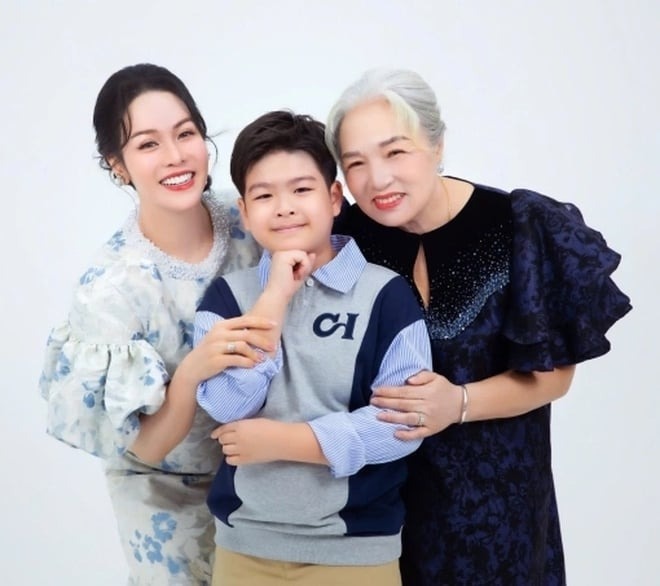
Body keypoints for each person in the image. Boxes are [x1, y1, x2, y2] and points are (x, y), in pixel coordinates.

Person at [325, 68, 632, 586]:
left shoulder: (516, 225)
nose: (377, 179)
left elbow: (554, 377)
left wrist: (458, 404)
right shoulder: (344, 241)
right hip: (376, 519)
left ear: (437, 144)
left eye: (395, 152)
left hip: (498, 516)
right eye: (356, 163)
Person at [38, 63, 272, 585]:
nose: (175, 156)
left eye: (185, 134)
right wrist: (191, 373)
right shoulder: (112, 288)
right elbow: (143, 447)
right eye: (147, 144)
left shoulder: (250, 222)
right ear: (117, 165)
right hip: (164, 489)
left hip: (266, 470)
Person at [193, 110, 433, 586]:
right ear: (245, 211)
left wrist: (287, 442)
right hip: (244, 548)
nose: (284, 208)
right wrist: (275, 298)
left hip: (355, 552)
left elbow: (402, 425)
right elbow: (225, 404)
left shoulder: (386, 295)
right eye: (264, 195)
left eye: (301, 189)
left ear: (334, 198)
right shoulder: (227, 297)